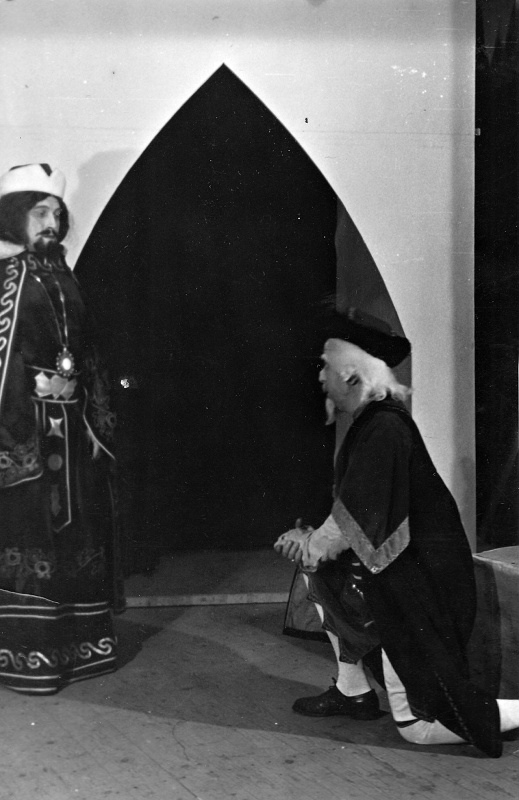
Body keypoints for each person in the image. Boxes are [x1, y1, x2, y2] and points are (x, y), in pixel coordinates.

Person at [274, 308, 519, 758]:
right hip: (402, 576)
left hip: (423, 590)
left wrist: (312, 544)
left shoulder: (383, 426)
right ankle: (352, 693)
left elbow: (354, 519)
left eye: (326, 366)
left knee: (418, 728)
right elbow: (356, 515)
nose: (320, 376)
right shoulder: (372, 422)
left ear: (351, 376)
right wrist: (311, 543)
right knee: (321, 575)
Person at [0, 163, 124, 694]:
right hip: (23, 436)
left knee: (78, 536)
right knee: (29, 537)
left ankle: (78, 650)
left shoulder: (63, 274)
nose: (51, 223)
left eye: (56, 214)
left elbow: (90, 354)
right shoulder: (4, 278)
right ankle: (25, 655)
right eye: (40, 213)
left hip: (73, 433)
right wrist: (16, 435)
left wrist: (96, 422)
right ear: (14, 216)